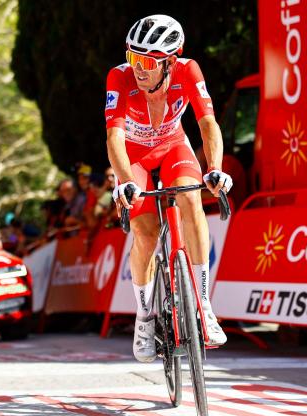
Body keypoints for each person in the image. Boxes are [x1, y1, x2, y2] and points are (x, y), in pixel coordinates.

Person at [105, 15, 231, 362]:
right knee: (144, 233)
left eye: (146, 61)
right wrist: (125, 182)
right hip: (134, 155)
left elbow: (208, 123)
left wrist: (215, 169)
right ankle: (144, 317)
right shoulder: (119, 77)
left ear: (170, 62)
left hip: (173, 145)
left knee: (191, 199)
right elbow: (114, 136)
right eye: (133, 57)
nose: (138, 68)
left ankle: (203, 304)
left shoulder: (189, 71)